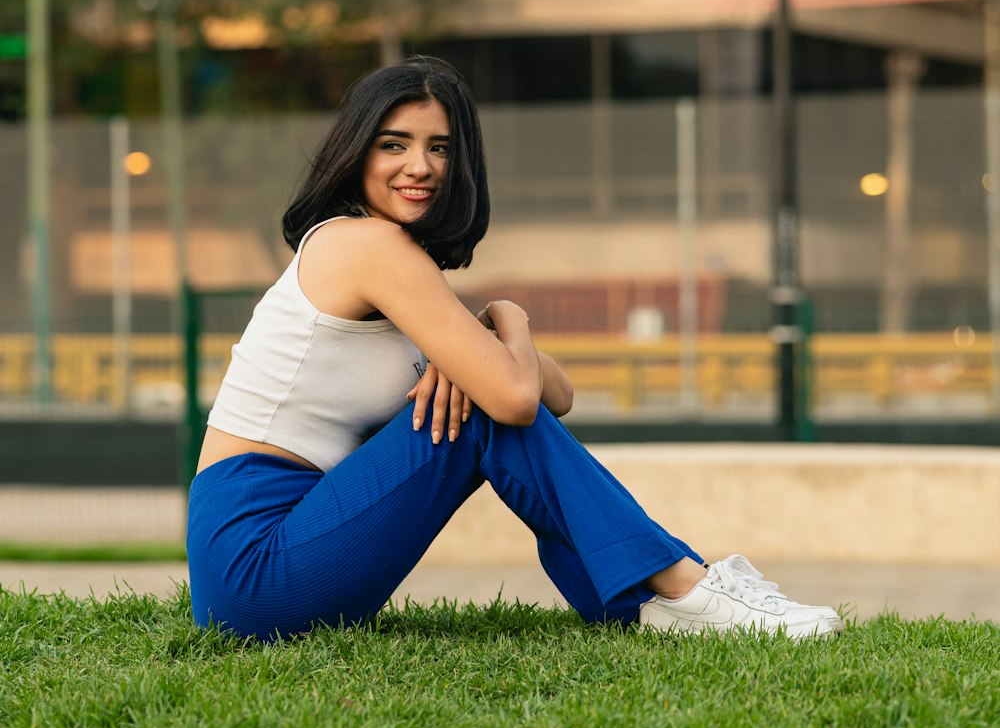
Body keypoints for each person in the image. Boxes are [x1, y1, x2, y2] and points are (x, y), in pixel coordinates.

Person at [188, 55, 843, 643]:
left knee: (480, 402)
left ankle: (658, 596)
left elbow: (559, 393)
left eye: (439, 148)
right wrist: (500, 341)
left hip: (290, 553)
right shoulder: (365, 246)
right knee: (481, 409)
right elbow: (517, 399)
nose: (420, 166)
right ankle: (681, 587)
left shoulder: (396, 265)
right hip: (257, 558)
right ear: (356, 153)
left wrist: (508, 320)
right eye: (395, 144)